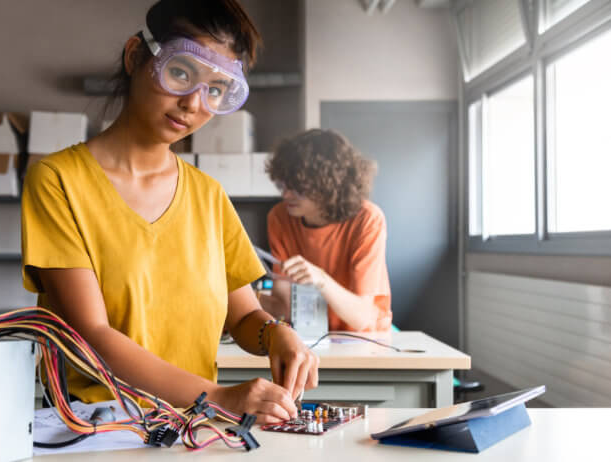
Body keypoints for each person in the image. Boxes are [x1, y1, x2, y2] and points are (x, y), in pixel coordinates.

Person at [21, 0, 317, 424]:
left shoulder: (208, 195)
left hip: (194, 430)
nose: (193, 103)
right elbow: (93, 334)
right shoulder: (58, 180)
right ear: (135, 57)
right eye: (180, 73)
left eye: (215, 89)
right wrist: (217, 396)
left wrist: (277, 333)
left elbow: (244, 315)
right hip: (94, 427)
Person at [261, 129, 392, 333]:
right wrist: (245, 297)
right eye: (283, 185)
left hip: (364, 338)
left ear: (328, 186)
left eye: (298, 188)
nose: (286, 194)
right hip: (311, 335)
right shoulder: (279, 217)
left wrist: (320, 279)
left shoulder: (367, 219)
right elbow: (284, 309)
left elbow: (362, 318)